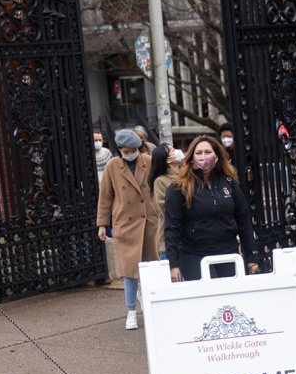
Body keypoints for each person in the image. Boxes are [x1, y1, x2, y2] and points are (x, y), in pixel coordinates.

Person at [164, 135, 259, 282]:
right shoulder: (179, 187)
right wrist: (173, 264)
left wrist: (251, 256)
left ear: (216, 156)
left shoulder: (229, 182)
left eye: (208, 152)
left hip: (228, 251)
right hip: (194, 253)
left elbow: (243, 219)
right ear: (191, 157)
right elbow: (172, 227)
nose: (203, 156)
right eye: (199, 153)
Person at [96, 129, 159, 330]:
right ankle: (131, 311)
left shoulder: (148, 161)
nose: (129, 153)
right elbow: (105, 196)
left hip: (149, 221)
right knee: (130, 271)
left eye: (133, 149)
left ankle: (151, 306)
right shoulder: (112, 165)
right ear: (119, 149)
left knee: (151, 269)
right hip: (126, 223)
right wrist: (102, 224)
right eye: (125, 150)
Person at [149, 143, 185, 260]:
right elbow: (166, 207)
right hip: (170, 240)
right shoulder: (160, 181)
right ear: (168, 160)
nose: (177, 151)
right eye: (172, 150)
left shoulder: (186, 175)